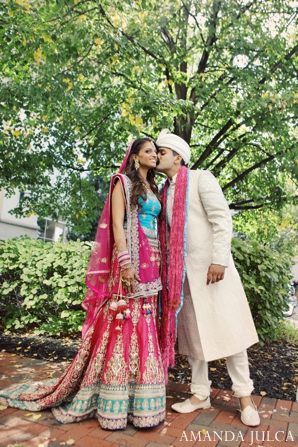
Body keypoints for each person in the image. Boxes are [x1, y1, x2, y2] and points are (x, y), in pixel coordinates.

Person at [0, 138, 166, 430]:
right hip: (130, 262)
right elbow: (117, 225)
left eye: (156, 151)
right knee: (124, 321)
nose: (154, 155)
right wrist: (126, 263)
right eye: (149, 151)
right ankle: (111, 404)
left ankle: (141, 402)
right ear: (136, 156)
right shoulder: (122, 183)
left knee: (145, 324)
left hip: (152, 265)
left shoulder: (153, 187)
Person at [156, 129, 260, 427]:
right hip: (182, 275)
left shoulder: (201, 178)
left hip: (214, 272)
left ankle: (245, 398)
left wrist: (219, 260)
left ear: (177, 156)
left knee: (230, 334)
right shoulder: (163, 190)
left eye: (161, 152)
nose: (157, 155)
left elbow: (221, 219)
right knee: (192, 336)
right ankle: (200, 394)